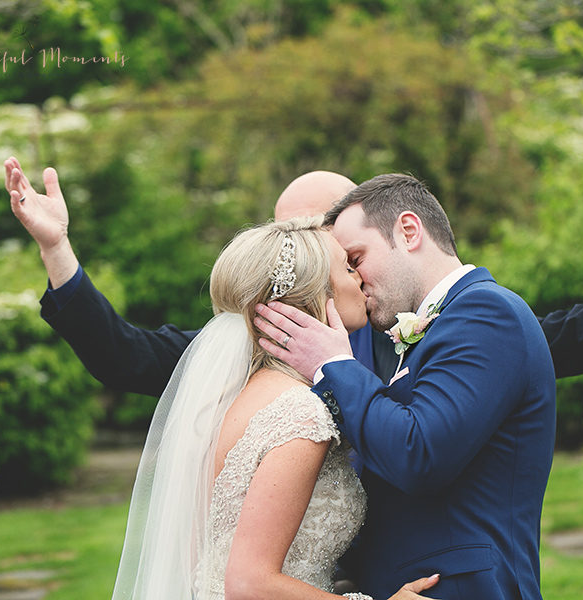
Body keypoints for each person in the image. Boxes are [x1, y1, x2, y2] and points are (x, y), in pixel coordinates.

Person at [3, 156, 583, 401]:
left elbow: (550, 341)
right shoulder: (259, 339)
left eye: (322, 235)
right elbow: (125, 356)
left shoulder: (418, 319)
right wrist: (58, 250)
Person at [253, 173, 555, 599]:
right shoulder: (436, 328)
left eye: (355, 258)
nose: (354, 278)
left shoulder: (486, 312)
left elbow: (419, 453)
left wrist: (333, 364)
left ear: (408, 231)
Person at [111, 215, 440, 599]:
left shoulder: (231, 398)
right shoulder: (300, 413)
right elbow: (250, 582)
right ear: (317, 297)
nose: (360, 278)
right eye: (348, 268)